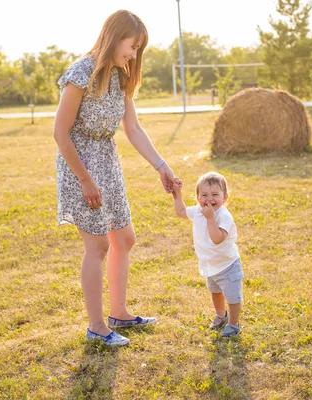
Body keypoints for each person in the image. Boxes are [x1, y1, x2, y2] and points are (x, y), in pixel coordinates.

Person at [53, 10, 175, 346]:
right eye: (132, 46)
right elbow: (60, 133)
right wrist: (85, 180)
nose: (134, 55)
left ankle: (119, 313)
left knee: (125, 239)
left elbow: (133, 128)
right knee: (98, 245)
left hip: (107, 162)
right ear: (114, 36)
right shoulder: (81, 72)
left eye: (138, 50)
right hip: (79, 166)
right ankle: (96, 328)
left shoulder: (120, 78)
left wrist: (161, 165)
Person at [171, 172, 244, 337]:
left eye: (215, 195)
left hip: (227, 264)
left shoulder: (223, 216)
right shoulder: (198, 211)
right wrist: (177, 194)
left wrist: (210, 218)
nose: (209, 199)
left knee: (233, 297)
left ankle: (233, 324)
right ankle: (221, 315)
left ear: (225, 198)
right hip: (210, 264)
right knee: (215, 292)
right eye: (204, 195)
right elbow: (181, 211)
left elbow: (217, 238)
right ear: (197, 198)